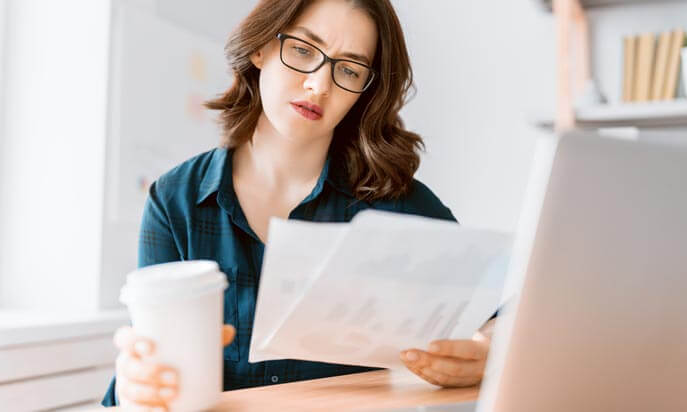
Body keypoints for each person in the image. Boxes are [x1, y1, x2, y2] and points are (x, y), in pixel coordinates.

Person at [102, 0, 496, 409]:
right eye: (304, 51)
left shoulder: (394, 200)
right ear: (260, 48)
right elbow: (149, 365)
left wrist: (487, 351)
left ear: (364, 91)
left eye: (348, 69)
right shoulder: (175, 201)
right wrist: (139, 386)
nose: (319, 85)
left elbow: (503, 311)